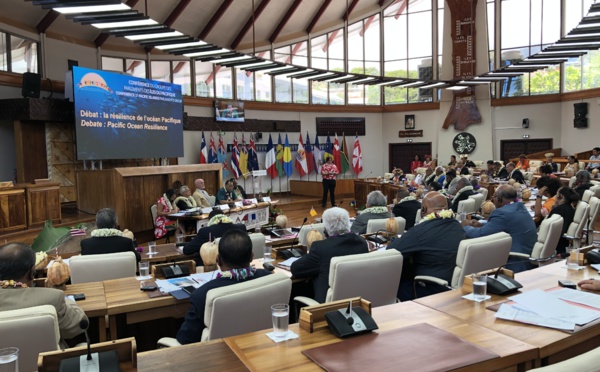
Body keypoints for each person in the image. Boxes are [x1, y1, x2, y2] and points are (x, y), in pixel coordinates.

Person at [176, 229, 271, 344]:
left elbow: (185, 341)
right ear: (252, 257)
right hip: (260, 347)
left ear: (218, 260)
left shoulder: (202, 295)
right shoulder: (268, 279)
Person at [0, 242, 88, 344]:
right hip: (51, 360)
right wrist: (66, 298)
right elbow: (78, 325)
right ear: (32, 272)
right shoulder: (52, 298)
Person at [387, 192, 465, 301]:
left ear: (423, 210)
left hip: (430, 290)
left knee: (395, 283)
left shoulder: (421, 231)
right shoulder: (457, 225)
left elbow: (391, 250)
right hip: (453, 288)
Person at [291, 207, 369, 303]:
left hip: (326, 309)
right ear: (348, 223)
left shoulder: (320, 248)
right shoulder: (362, 243)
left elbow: (295, 269)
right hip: (357, 303)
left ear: (326, 229)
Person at [462, 185, 537, 273]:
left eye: (493, 197)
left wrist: (465, 226)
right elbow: (504, 226)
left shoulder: (501, 213)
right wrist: (481, 224)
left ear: (499, 198)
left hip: (516, 262)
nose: (493, 200)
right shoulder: (520, 207)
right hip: (528, 257)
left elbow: (479, 235)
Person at [182, 210, 247, 265]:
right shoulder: (241, 227)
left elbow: (187, 250)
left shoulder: (205, 231)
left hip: (213, 266)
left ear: (210, 220)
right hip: (239, 263)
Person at [548, 187, 580, 255]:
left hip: (553, 245)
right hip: (563, 244)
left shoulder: (558, 210)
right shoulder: (571, 209)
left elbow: (547, 229)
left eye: (556, 194)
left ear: (561, 196)